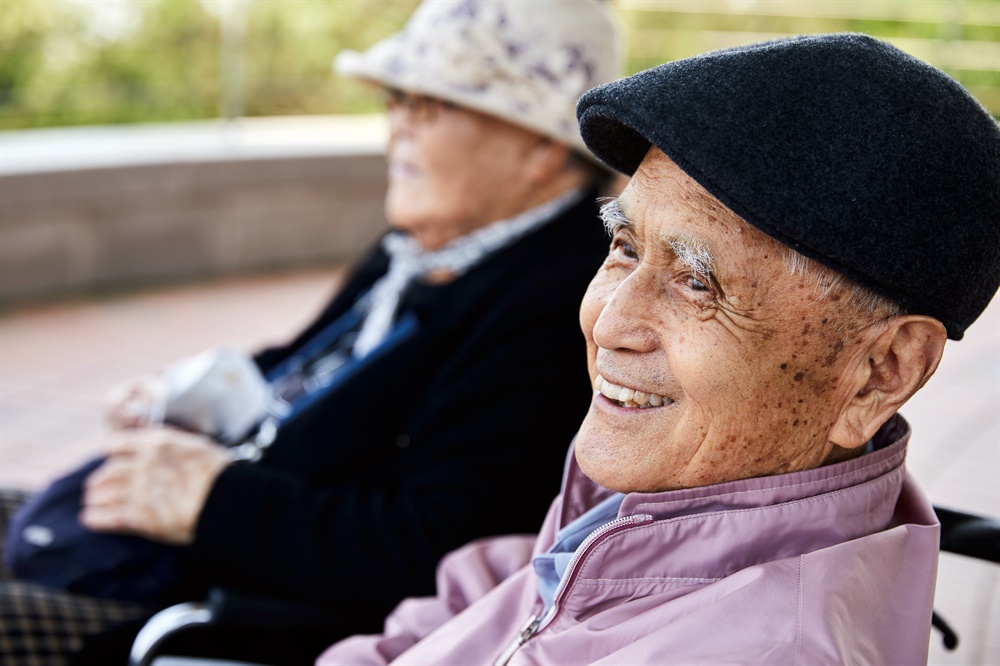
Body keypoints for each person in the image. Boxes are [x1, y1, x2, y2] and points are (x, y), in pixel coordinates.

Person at [316, 33, 1000, 665]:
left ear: (880, 374)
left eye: (698, 283)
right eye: (624, 246)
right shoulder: (668, 496)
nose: (609, 321)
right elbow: (503, 598)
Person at [0, 1, 623, 664]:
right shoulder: (423, 251)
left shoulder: (558, 305)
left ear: (540, 147)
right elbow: (309, 368)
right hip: (193, 548)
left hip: (229, 608)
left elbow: (448, 554)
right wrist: (184, 398)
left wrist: (212, 502)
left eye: (429, 105)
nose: (397, 126)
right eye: (395, 98)